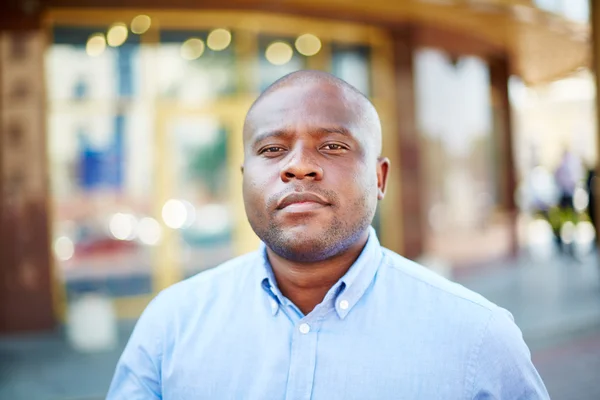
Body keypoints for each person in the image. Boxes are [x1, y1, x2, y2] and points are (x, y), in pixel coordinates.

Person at [108, 71, 549, 399]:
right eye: (272, 149)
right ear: (244, 178)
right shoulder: (171, 326)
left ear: (380, 178)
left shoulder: (478, 338)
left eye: (333, 146)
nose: (297, 166)